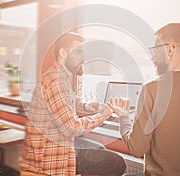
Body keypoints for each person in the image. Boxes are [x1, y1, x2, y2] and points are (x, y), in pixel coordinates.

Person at [109, 23, 180, 176]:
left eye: (155, 50)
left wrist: (124, 117)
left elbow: (136, 149)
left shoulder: (152, 89)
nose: (152, 57)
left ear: (170, 49)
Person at [19, 32, 126, 176]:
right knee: (117, 163)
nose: (84, 58)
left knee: (99, 149)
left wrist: (91, 107)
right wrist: (103, 115)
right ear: (63, 53)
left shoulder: (59, 77)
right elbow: (72, 127)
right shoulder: (55, 82)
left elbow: (70, 103)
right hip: (50, 157)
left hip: (55, 145)